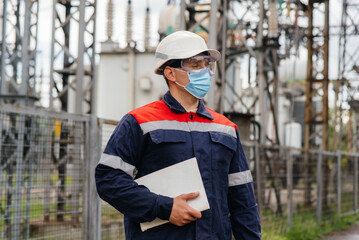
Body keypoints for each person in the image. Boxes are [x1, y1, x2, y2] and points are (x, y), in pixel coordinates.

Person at [95, 30, 261, 239]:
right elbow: (109, 181)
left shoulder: (225, 128)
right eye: (195, 65)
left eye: (206, 65)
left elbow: (243, 200)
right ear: (170, 73)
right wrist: (164, 207)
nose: (204, 71)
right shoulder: (139, 122)